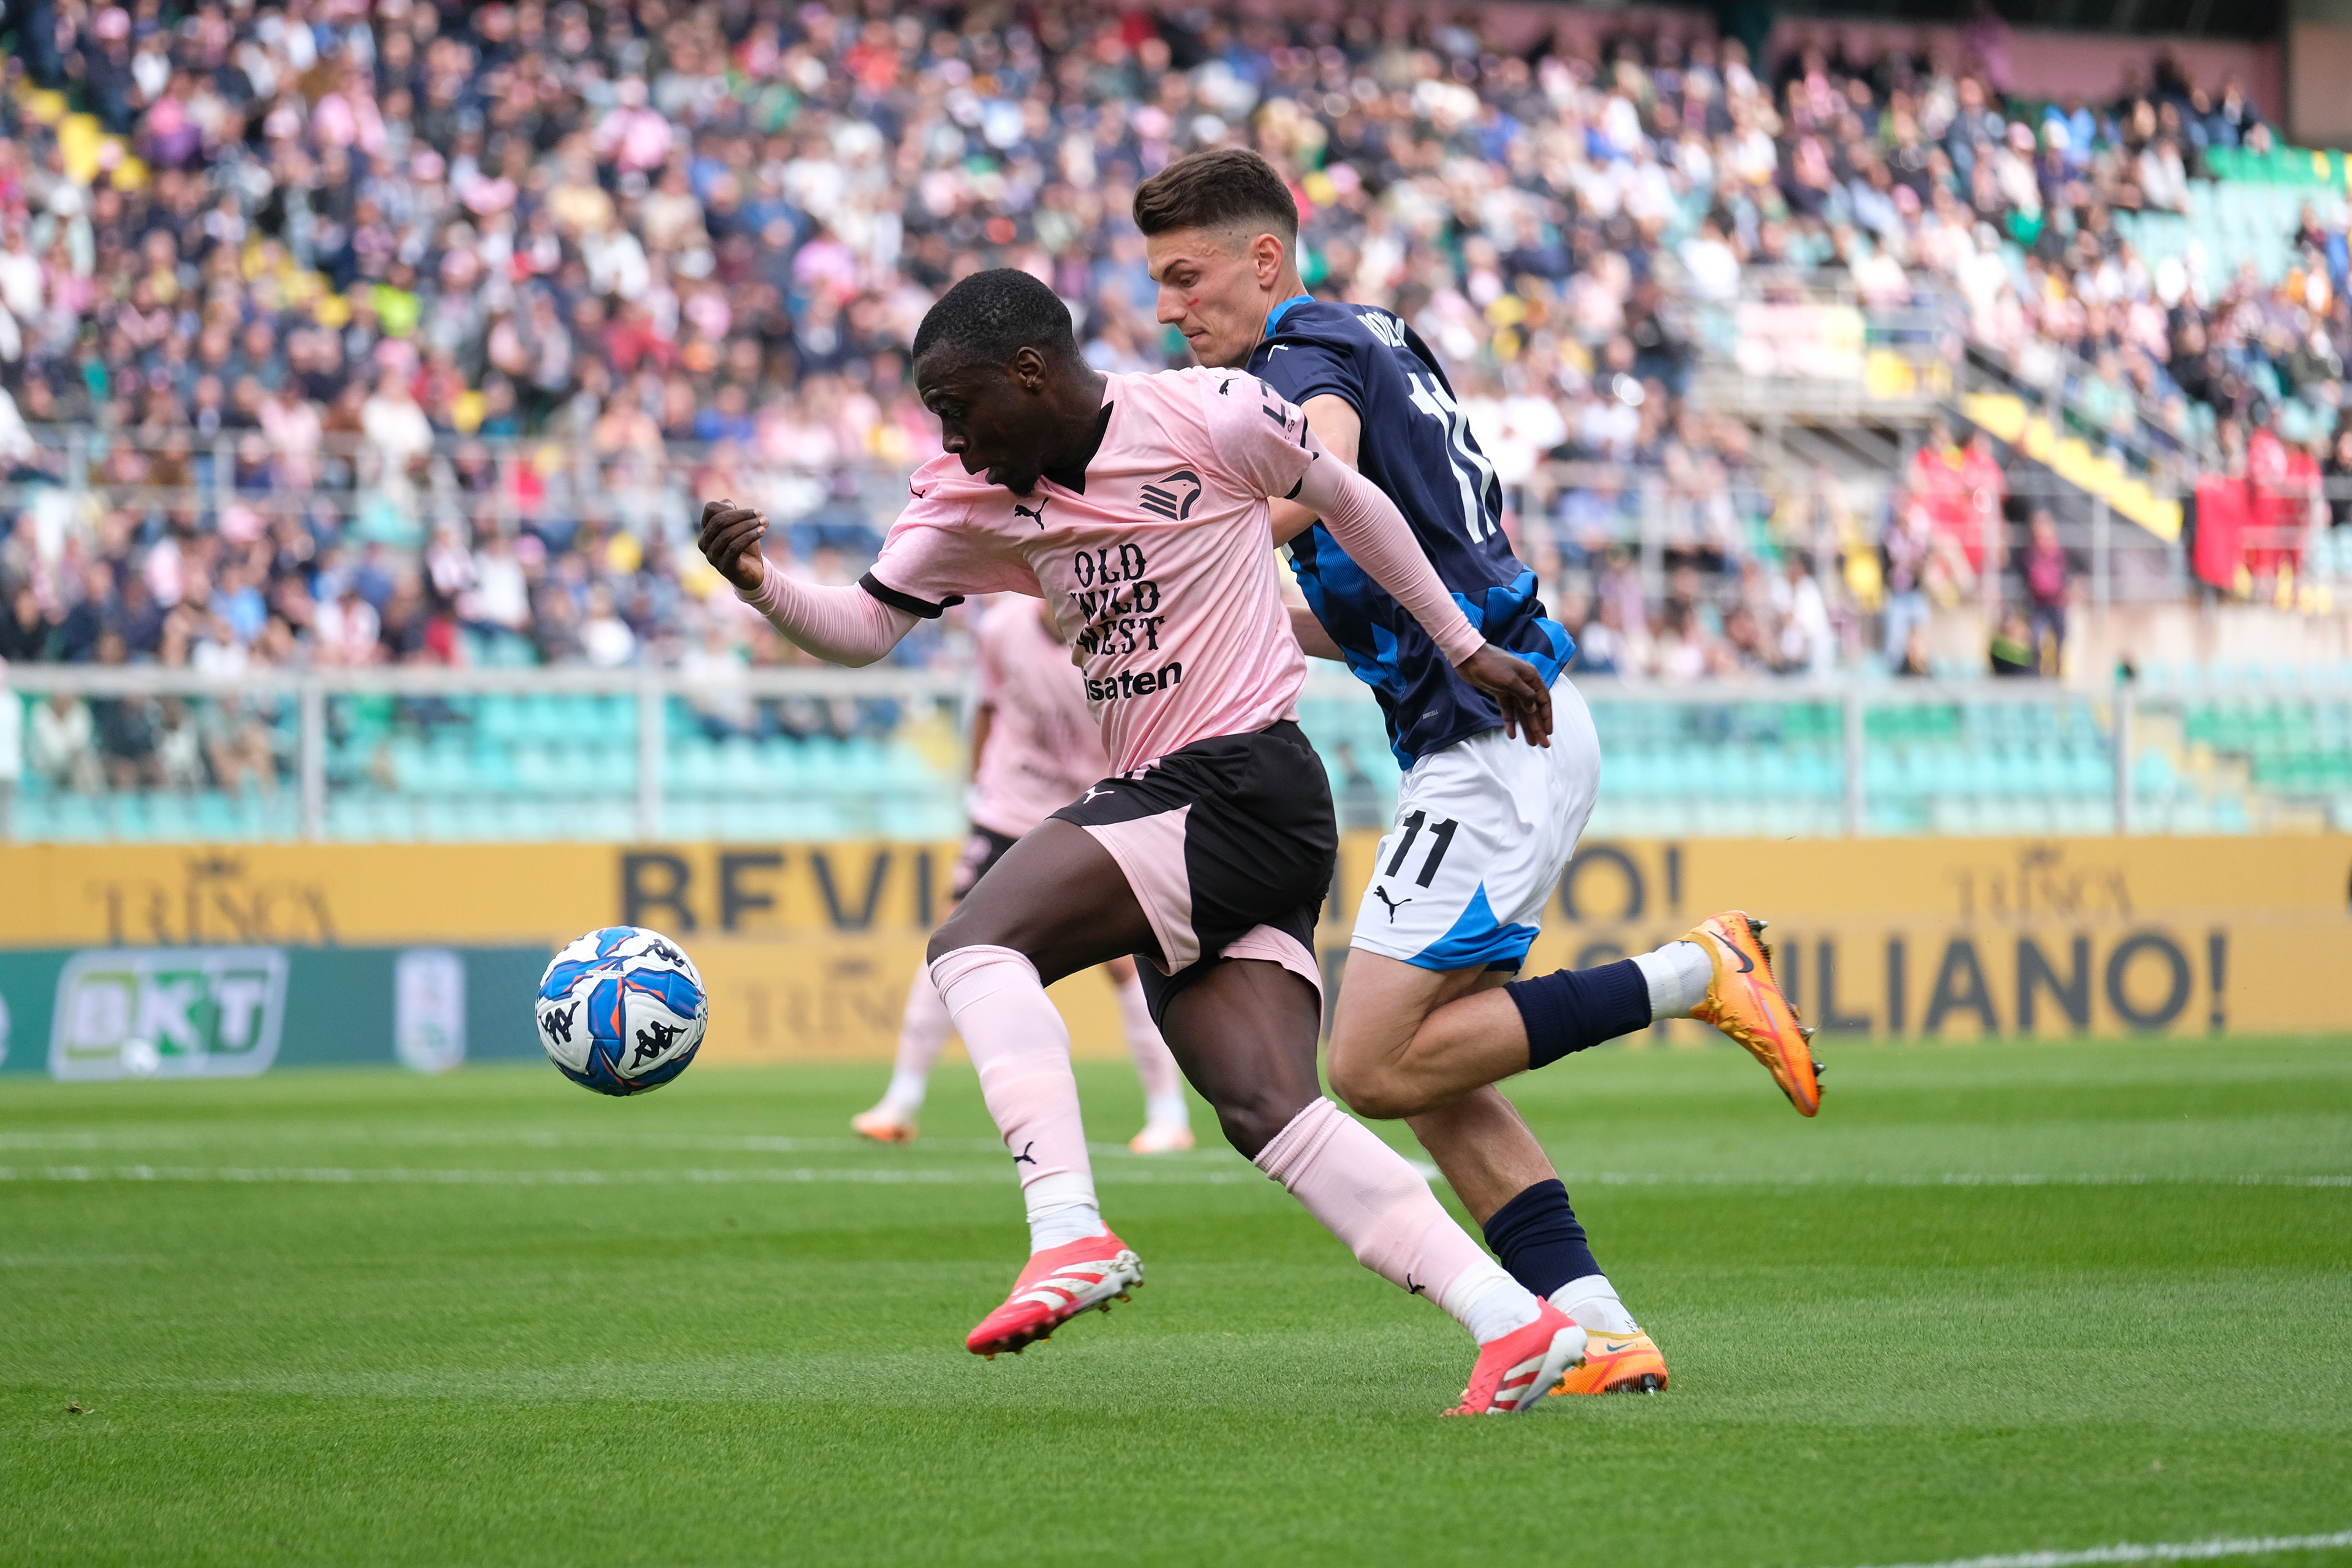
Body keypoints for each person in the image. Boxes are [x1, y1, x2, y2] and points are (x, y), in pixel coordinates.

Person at [701, 266, 1589, 1415]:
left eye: (958, 407)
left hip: (1241, 780)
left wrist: (1463, 646)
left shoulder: (1206, 413)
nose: (952, 439)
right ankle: (1514, 1321)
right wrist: (763, 584)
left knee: (975, 943)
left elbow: (1353, 500)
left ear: (1031, 373)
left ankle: (1066, 1226)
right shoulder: (966, 500)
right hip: (1198, 807)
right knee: (1268, 1110)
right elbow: (868, 624)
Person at [1134, 146, 1820, 1396]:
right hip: (1498, 721)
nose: (1173, 311)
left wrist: (1160, 535)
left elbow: (1310, 472)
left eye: (1187, 279)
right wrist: (1218, 619)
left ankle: (1694, 970)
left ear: (1264, 259)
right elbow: (1377, 591)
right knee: (1439, 1071)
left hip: (1493, 740)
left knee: (1369, 1065)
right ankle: (1601, 1326)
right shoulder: (1379, 334)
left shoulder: (1299, 360)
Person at [851, 595, 1194, 1154]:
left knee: (1120, 961)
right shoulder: (1003, 625)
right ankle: (901, 1099)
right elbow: (988, 705)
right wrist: (975, 789)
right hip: (1007, 805)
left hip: (1085, 811)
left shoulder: (1118, 647)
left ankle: (1168, 1112)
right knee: (950, 940)